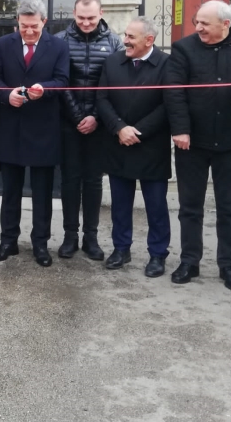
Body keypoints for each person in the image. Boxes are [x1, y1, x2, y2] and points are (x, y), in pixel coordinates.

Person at [163, 0, 231, 291]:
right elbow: (174, 91)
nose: (198, 28)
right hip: (192, 140)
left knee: (229, 208)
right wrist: (180, 129)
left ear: (225, 24)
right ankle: (189, 261)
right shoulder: (183, 48)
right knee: (190, 206)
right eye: (197, 22)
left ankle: (228, 265)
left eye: (205, 23)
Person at [0, 0, 69, 266]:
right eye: (24, 26)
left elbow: (63, 81)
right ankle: (8, 241)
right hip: (11, 128)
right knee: (10, 191)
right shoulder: (4, 44)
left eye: (34, 26)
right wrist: (6, 95)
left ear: (44, 22)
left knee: (42, 192)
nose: (29, 31)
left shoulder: (58, 46)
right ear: (17, 23)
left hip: (44, 128)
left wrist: (43, 89)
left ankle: (40, 244)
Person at [95, 18, 172, 276]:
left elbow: (168, 103)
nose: (125, 41)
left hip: (151, 145)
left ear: (149, 40)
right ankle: (121, 249)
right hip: (118, 142)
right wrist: (119, 127)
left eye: (131, 37)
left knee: (156, 206)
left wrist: (138, 131)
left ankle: (158, 254)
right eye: (125, 35)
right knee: (120, 204)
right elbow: (102, 98)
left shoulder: (167, 64)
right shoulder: (112, 62)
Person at [54, 0, 123, 261]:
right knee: (70, 180)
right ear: (74, 14)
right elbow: (60, 81)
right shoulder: (60, 41)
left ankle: (91, 237)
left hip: (100, 123)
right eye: (81, 18)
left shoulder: (114, 41)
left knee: (93, 181)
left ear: (101, 13)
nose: (86, 23)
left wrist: (95, 115)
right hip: (68, 122)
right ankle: (70, 236)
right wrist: (76, 116)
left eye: (91, 18)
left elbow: (113, 84)